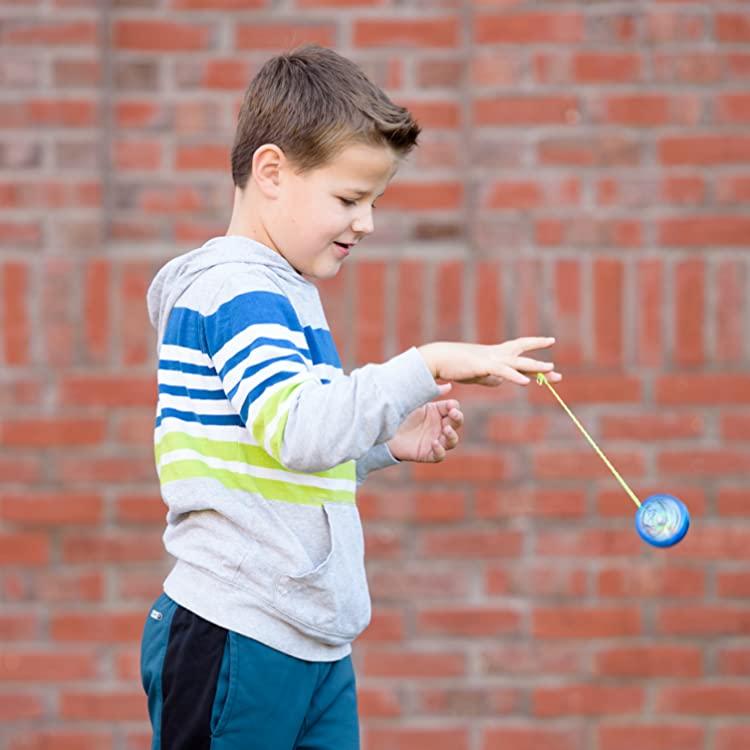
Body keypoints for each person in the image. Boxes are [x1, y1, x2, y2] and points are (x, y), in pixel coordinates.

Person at [140, 44, 562, 750]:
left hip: (310, 640)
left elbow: (277, 454)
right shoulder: (238, 292)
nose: (365, 222)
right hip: (239, 634)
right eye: (348, 198)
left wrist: (380, 446)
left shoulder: (282, 294)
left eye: (375, 201)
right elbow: (300, 430)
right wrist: (422, 364)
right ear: (271, 171)